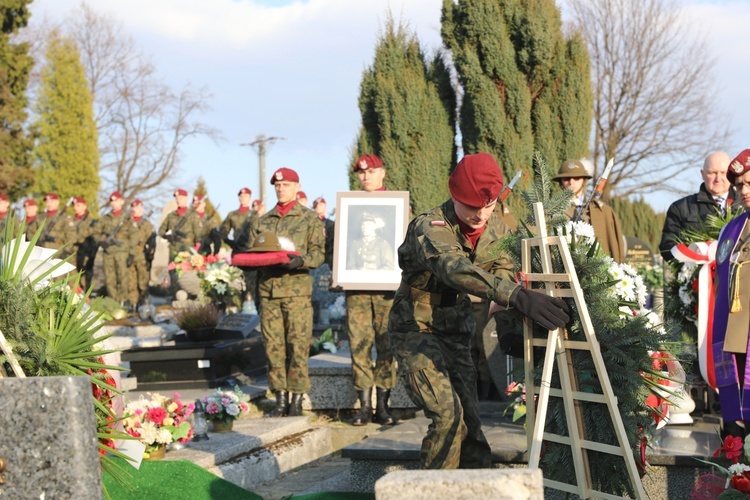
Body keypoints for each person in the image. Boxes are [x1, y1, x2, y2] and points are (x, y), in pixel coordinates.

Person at [389, 152, 570, 469]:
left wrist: (510, 319)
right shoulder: (429, 227)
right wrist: (518, 296)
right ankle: (434, 491)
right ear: (454, 194)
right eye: (472, 205)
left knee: (471, 423)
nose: (481, 213)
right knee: (448, 416)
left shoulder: (496, 230)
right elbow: (452, 267)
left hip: (457, 332)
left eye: (488, 205)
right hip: (415, 330)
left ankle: (474, 485)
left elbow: (505, 274)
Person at [238, 167, 324, 418]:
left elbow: (319, 254)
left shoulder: (309, 219)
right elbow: (252, 258)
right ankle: (280, 398)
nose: (280, 188)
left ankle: (296, 398)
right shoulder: (262, 222)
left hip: (296, 292)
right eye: (277, 185)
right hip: (269, 293)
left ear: (297, 188)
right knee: (273, 347)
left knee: (297, 346)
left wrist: (300, 261)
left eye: (286, 184)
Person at [346, 154, 399, 426]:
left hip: (387, 292)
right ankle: (365, 407)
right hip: (356, 291)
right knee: (359, 345)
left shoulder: (397, 206)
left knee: (386, 345)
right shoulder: (349, 209)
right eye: (361, 173)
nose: (366, 177)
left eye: (371, 171)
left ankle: (384, 406)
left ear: (382, 173)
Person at [712, 149, 750, 436]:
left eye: (749, 183)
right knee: (738, 421)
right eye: (739, 186)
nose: (744, 191)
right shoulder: (733, 228)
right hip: (736, 330)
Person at [660, 151, 739, 262]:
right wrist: (695, 261)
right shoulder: (680, 208)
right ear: (702, 174)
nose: (718, 178)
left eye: (723, 173)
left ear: (731, 174)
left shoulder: (745, 206)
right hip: (698, 276)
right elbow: (668, 248)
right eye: (712, 173)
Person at [553, 159, 625, 263]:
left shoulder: (602, 211)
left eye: (576, 178)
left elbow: (614, 245)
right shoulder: (552, 210)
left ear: (584, 180)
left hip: (598, 268)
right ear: (561, 182)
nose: (571, 182)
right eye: (566, 178)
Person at [221, 187, 259, 306]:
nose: (243, 198)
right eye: (241, 196)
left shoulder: (254, 215)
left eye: (246, 196)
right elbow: (223, 231)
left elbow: (259, 232)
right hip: (237, 252)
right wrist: (229, 241)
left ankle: (253, 310)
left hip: (250, 253)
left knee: (252, 284)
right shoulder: (232, 215)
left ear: (250, 198)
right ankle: (237, 308)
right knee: (236, 284)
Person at [98, 191, 132, 306]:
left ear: (121, 201)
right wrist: (102, 241)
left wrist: (131, 253)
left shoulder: (127, 218)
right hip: (108, 252)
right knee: (109, 279)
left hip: (122, 253)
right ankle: (113, 303)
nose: (113, 203)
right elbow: (96, 232)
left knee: (122, 278)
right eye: (111, 201)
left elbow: (133, 235)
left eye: (116, 200)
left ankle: (123, 302)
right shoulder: (105, 218)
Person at [127, 200, 156, 307]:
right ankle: (133, 304)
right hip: (129, 255)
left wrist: (150, 255)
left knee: (143, 282)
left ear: (142, 209)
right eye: (133, 208)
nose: (135, 211)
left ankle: (144, 304)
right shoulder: (127, 224)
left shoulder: (147, 225)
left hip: (142, 256)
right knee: (131, 282)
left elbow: (152, 241)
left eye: (138, 208)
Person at [158, 188, 200, 261]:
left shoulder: (192, 215)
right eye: (177, 198)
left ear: (186, 199)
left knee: (186, 271)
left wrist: (196, 248)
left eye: (180, 198)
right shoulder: (171, 216)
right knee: (172, 271)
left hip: (187, 250)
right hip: (173, 250)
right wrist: (166, 236)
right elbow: (161, 230)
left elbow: (198, 234)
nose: (178, 200)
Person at [71, 197, 99, 292]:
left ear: (84, 206)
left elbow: (95, 239)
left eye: (78, 205)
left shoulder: (91, 221)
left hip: (85, 254)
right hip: (72, 254)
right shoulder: (70, 220)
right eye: (74, 205)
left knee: (84, 278)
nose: (75, 207)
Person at [313, 196, 334, 268]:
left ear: (325, 207)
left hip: (328, 257)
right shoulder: (310, 223)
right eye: (317, 205)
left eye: (321, 205)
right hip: (314, 257)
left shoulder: (331, 224)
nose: (319, 207)